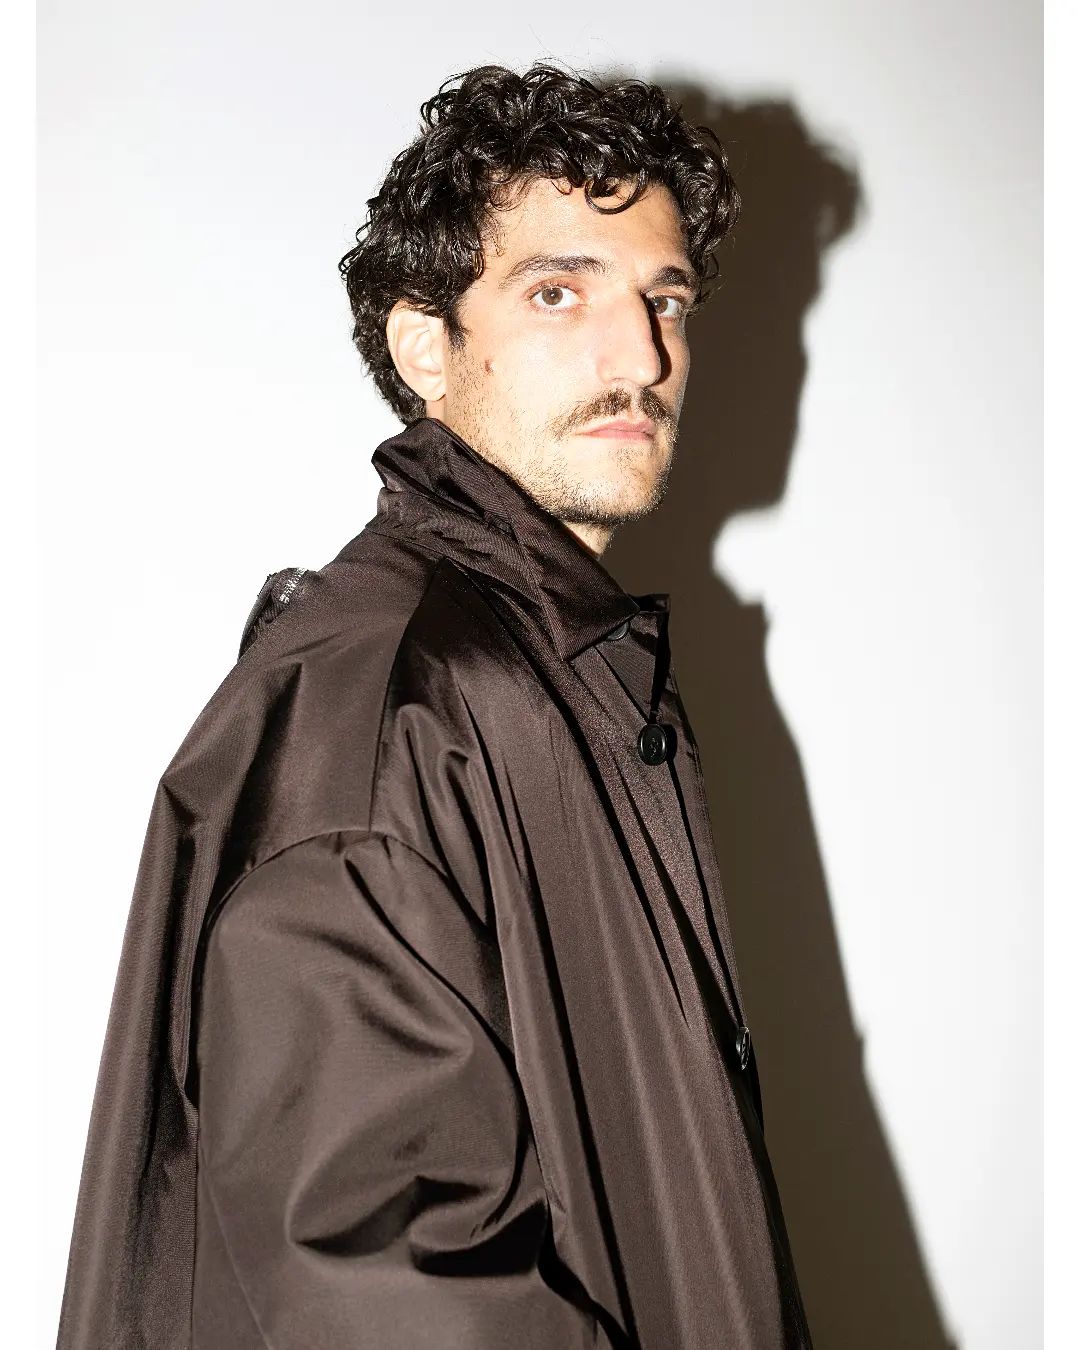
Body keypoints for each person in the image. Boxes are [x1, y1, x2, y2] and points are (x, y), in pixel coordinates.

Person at [56, 62, 814, 1349]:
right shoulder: (389, 700)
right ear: (426, 347)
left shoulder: (558, 672)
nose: (642, 354)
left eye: (664, 298)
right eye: (560, 292)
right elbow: (384, 1282)